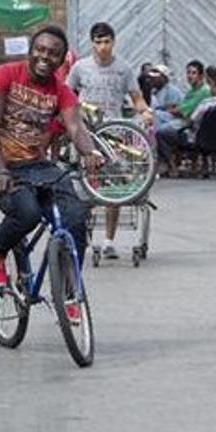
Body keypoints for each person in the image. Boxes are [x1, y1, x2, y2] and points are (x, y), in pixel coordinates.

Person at [0, 26, 103, 321]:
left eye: (54, 54)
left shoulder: (62, 90)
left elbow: (75, 127)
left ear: (63, 60)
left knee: (75, 216)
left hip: (38, 166)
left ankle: (70, 292)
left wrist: (89, 153)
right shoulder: (4, 74)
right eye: (42, 50)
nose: (46, 57)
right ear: (31, 50)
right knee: (28, 214)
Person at [65, 22, 152, 260]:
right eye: (98, 42)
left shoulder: (123, 69)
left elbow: (136, 98)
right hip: (86, 134)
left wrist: (144, 111)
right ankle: (83, 237)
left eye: (107, 42)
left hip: (114, 135)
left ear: (113, 42)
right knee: (86, 189)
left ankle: (109, 241)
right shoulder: (80, 67)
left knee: (113, 189)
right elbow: (66, 95)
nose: (103, 47)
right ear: (92, 43)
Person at [155, 66, 216, 173]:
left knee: (162, 133)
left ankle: (171, 166)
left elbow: (191, 120)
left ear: (214, 85)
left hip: (199, 139)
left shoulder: (206, 104)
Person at [153, 60, 209, 144]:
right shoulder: (192, 90)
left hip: (188, 121)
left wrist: (170, 110)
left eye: (193, 73)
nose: (189, 76)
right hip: (182, 118)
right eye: (188, 73)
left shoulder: (203, 90)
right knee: (156, 114)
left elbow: (183, 111)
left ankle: (158, 150)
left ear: (200, 76)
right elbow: (182, 104)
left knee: (159, 124)